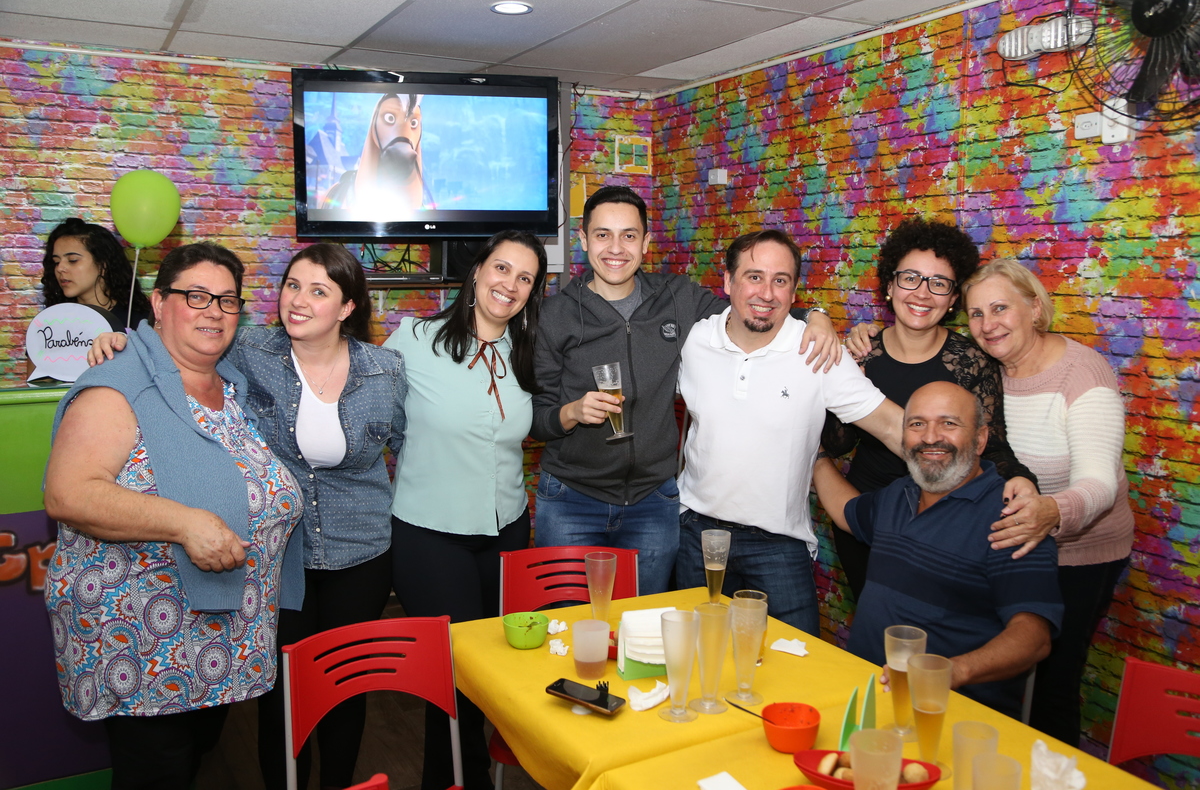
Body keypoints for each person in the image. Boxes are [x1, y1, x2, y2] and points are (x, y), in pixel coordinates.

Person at [88, 243, 408, 789]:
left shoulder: (385, 370)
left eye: (318, 291)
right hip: (279, 557)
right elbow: (177, 343)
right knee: (280, 691)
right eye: (291, 285)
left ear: (348, 306)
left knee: (344, 687)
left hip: (362, 552)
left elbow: (406, 444)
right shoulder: (250, 348)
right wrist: (123, 341)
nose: (297, 300)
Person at [43, 242, 303, 789]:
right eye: (197, 296)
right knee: (157, 771)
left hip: (221, 633)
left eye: (227, 300)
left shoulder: (230, 383)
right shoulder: (119, 383)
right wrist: (185, 523)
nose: (214, 311)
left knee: (190, 761)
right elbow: (69, 493)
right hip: (142, 640)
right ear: (160, 303)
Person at [532, 186, 839, 594]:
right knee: (567, 623)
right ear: (584, 239)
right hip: (572, 500)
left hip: (653, 503)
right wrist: (571, 412)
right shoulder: (555, 314)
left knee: (645, 623)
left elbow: (751, 311)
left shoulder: (677, 298)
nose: (616, 248)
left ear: (645, 242)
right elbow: (537, 418)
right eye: (603, 234)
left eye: (628, 235)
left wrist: (815, 315)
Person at [675, 230, 904, 634]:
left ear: (794, 291)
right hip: (698, 536)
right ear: (728, 281)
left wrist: (975, 480)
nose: (766, 293)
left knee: (796, 662)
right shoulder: (695, 340)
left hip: (778, 545)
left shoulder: (817, 351)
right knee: (696, 656)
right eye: (754, 277)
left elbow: (890, 425)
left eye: (780, 280)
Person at [385, 230, 547, 790]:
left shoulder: (526, 349)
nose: (510, 285)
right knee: (455, 678)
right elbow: (369, 408)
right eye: (502, 268)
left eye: (525, 278)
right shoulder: (414, 339)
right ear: (477, 271)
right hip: (430, 535)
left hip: (506, 531)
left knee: (492, 669)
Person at [812, 381, 1064, 718]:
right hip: (864, 699)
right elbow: (847, 512)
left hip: (948, 714)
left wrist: (953, 671)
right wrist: (815, 456)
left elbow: (1034, 636)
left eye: (949, 423)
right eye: (917, 424)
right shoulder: (898, 494)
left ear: (980, 439)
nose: (930, 437)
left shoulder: (1012, 517)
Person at [962, 259, 1134, 745]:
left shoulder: (1081, 373)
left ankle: (1050, 773)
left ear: (1035, 309)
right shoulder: (984, 371)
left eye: (1000, 308)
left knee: (1051, 682)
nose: (988, 324)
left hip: (1078, 553)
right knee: (997, 673)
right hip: (1011, 547)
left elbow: (1099, 483)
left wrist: (1052, 511)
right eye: (976, 314)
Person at [823, 217, 1037, 602]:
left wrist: (1022, 482)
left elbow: (991, 447)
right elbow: (838, 445)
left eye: (939, 283)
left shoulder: (971, 362)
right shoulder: (861, 354)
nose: (922, 293)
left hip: (942, 527)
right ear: (890, 286)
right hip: (861, 518)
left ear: (953, 298)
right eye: (910, 278)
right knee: (875, 624)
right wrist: (845, 383)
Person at [42, 217, 152, 329]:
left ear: (103, 264)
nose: (60, 268)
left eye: (72, 260)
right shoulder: (54, 322)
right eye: (56, 262)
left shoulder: (140, 322)